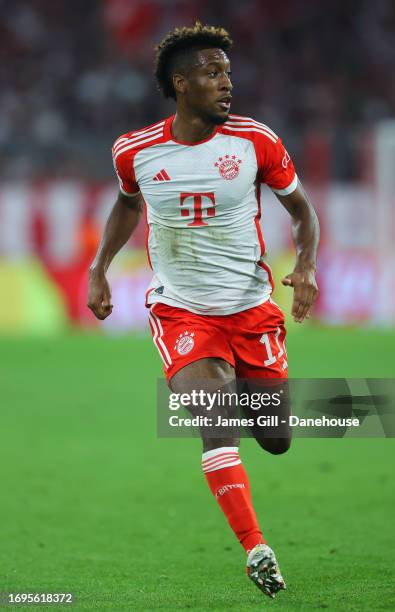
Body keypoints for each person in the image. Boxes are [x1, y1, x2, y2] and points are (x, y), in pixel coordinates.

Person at [88, 22, 319, 600]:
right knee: (214, 423)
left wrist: (308, 266)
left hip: (251, 309)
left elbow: (302, 211)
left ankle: (235, 383)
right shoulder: (135, 151)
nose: (226, 83)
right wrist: (99, 267)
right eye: (213, 73)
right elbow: (125, 204)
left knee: (277, 436)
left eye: (228, 73)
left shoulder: (254, 141)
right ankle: (256, 548)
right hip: (182, 311)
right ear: (180, 83)